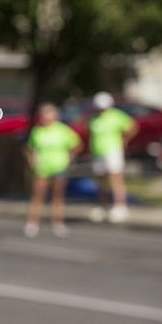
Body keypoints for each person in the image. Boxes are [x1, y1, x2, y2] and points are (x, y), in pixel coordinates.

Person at [23, 102, 82, 238]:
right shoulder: (37, 131)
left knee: (58, 196)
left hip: (59, 167)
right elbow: (30, 148)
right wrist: (33, 162)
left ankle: (57, 223)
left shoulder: (63, 130)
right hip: (42, 168)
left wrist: (69, 158)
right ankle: (32, 223)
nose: (46, 117)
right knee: (38, 195)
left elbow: (77, 145)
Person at [87, 91, 138, 224]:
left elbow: (133, 127)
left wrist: (124, 140)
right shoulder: (94, 118)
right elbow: (92, 135)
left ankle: (120, 206)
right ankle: (103, 206)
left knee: (115, 178)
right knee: (101, 181)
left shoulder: (117, 116)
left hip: (113, 151)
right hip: (98, 153)